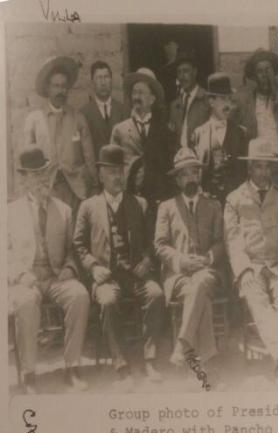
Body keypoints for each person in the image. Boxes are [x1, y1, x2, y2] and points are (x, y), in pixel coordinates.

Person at [73, 144, 165, 392]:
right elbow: (79, 245)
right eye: (112, 171)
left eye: (121, 171)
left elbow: (151, 243)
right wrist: (93, 268)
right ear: (101, 175)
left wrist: (147, 260)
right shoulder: (88, 206)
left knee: (156, 294)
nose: (117, 176)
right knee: (107, 301)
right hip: (106, 277)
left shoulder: (140, 204)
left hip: (135, 275)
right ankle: (121, 365)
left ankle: (148, 359)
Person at [224, 138, 278, 387]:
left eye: (267, 167)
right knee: (258, 302)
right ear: (249, 169)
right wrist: (243, 270)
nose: (263, 172)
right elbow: (233, 239)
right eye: (258, 167)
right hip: (252, 267)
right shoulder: (234, 199)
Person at [8, 146, 90, 394]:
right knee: (24, 303)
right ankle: (30, 374)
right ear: (23, 179)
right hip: (26, 279)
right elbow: (5, 252)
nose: (41, 179)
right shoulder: (10, 212)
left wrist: (69, 267)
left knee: (80, 295)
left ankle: (72, 369)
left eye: (44, 173)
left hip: (56, 277)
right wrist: (20, 274)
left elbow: (72, 249)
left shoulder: (64, 209)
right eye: (34, 175)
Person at [154, 148, 225, 371]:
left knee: (201, 281)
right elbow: (160, 245)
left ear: (200, 175)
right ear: (177, 179)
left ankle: (182, 344)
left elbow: (221, 241)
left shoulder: (214, 206)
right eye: (184, 174)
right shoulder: (166, 207)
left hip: (207, 271)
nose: (191, 178)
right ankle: (208, 362)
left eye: (194, 172)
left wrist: (208, 259)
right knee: (198, 294)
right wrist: (182, 261)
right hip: (178, 276)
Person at [23, 56, 98, 212]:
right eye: (56, 86)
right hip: (47, 188)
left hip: (76, 190)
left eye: (64, 86)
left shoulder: (78, 118)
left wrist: (93, 186)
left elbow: (89, 157)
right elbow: (27, 162)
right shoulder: (34, 120)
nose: (60, 91)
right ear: (47, 88)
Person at [232, 48, 278, 190]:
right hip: (257, 167)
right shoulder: (247, 103)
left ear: (274, 72)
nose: (265, 75)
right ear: (254, 76)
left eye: (268, 70)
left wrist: (277, 96)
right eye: (260, 71)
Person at [110, 67, 175, 214]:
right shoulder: (119, 130)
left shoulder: (164, 131)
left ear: (152, 99)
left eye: (141, 92)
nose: (136, 97)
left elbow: (170, 167)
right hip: (129, 198)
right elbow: (113, 167)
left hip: (157, 200)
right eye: (134, 92)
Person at [191, 72, 248, 205]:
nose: (227, 104)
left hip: (235, 203)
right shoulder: (198, 134)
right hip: (208, 202)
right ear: (211, 101)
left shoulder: (241, 133)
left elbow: (245, 171)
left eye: (229, 99)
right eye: (222, 99)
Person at [80, 60, 128, 159]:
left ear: (111, 80)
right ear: (93, 82)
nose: (103, 82)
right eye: (99, 78)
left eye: (106, 77)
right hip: (95, 170)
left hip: (119, 169)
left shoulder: (123, 110)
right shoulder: (84, 113)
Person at [168, 50, 211, 149]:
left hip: (199, 158)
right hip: (179, 159)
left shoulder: (207, 100)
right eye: (179, 72)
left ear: (195, 72)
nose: (182, 77)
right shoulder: (174, 105)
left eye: (186, 71)